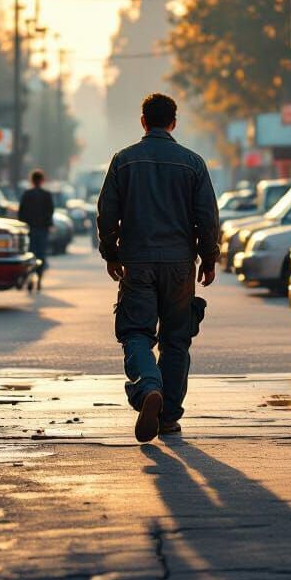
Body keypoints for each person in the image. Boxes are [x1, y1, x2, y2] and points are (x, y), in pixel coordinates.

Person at [97, 92, 219, 443]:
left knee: (136, 333)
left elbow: (107, 213)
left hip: (137, 263)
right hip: (181, 265)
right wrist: (208, 258)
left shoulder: (124, 161)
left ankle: (149, 386)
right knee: (176, 341)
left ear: (143, 122)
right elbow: (207, 217)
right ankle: (167, 417)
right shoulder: (192, 162)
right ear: (173, 123)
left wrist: (111, 253)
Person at [18, 169, 55, 292]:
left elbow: (21, 213)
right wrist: (48, 224)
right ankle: (39, 280)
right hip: (43, 229)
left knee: (31, 255)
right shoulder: (47, 195)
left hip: (30, 229)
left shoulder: (27, 194)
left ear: (32, 180)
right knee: (41, 255)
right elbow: (50, 211)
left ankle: (30, 279)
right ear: (42, 180)